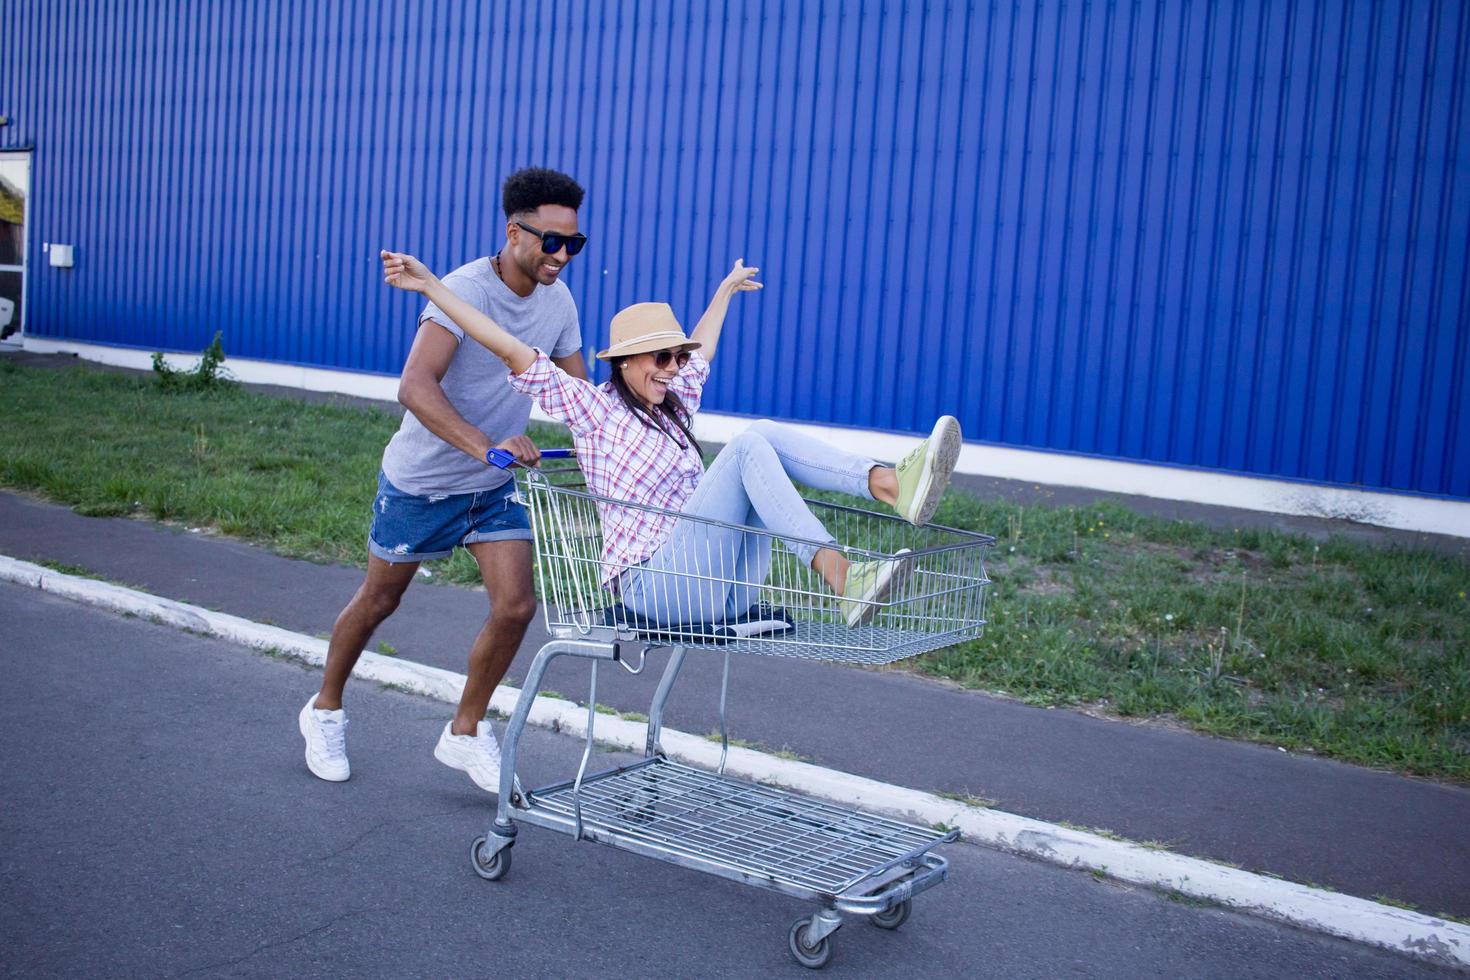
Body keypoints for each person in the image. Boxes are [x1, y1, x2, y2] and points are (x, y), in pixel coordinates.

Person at [377, 249, 965, 633]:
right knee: (750, 443)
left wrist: (725, 293)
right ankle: (844, 571)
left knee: (753, 441)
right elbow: (504, 342)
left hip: (717, 585)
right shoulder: (593, 409)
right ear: (627, 363)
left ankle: (889, 485)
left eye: (676, 356)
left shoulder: (673, 403)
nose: (673, 366)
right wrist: (432, 285)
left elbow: (703, 348)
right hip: (655, 588)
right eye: (661, 357)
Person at [299, 168, 591, 793]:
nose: (562, 256)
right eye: (551, 241)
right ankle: (324, 709)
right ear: (514, 232)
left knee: (515, 606)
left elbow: (578, 398)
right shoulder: (462, 291)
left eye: (575, 244)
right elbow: (414, 386)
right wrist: (488, 448)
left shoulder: (558, 303)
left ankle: (463, 732)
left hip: (491, 488)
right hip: (423, 483)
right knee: (380, 600)